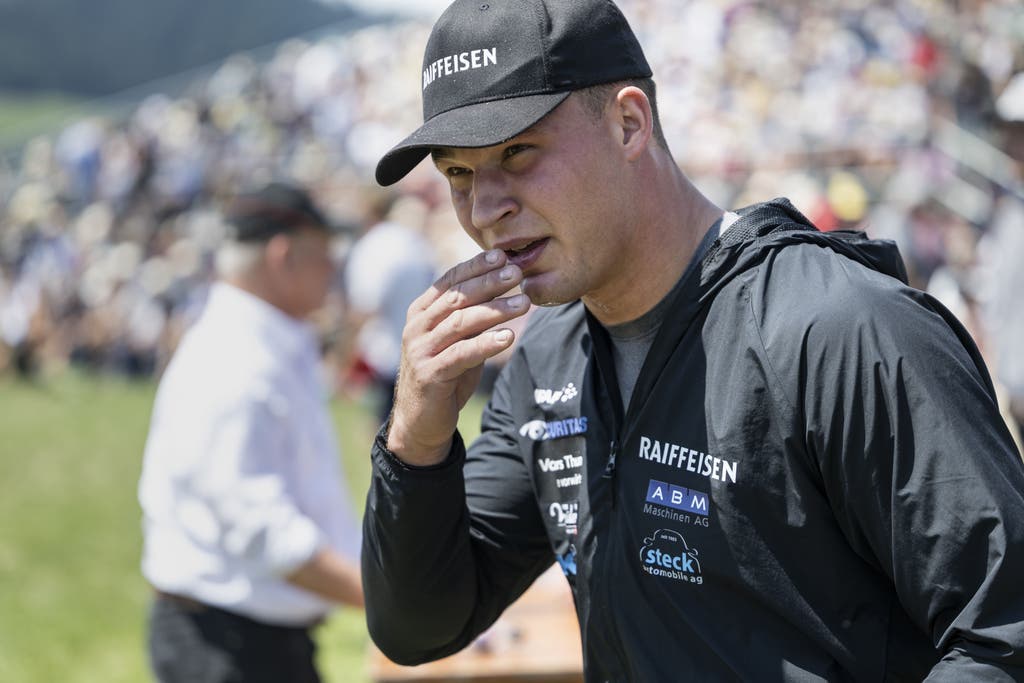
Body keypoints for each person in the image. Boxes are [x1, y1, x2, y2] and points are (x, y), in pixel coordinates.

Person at [360, 0, 1024, 681]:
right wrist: (416, 434)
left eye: (517, 151)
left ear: (628, 123)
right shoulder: (548, 358)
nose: (483, 208)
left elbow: (1005, 632)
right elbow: (420, 625)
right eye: (458, 174)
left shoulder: (841, 328)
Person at [138, 182, 363, 683]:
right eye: (324, 254)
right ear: (283, 257)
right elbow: (262, 530)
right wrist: (386, 601)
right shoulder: (234, 359)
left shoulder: (262, 345)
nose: (333, 269)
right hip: (226, 648)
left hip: (249, 639)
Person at [343, 190, 437, 423]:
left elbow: (365, 304)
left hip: (384, 351)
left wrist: (344, 354)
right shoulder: (416, 245)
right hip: (411, 346)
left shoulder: (379, 244)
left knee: (386, 427)